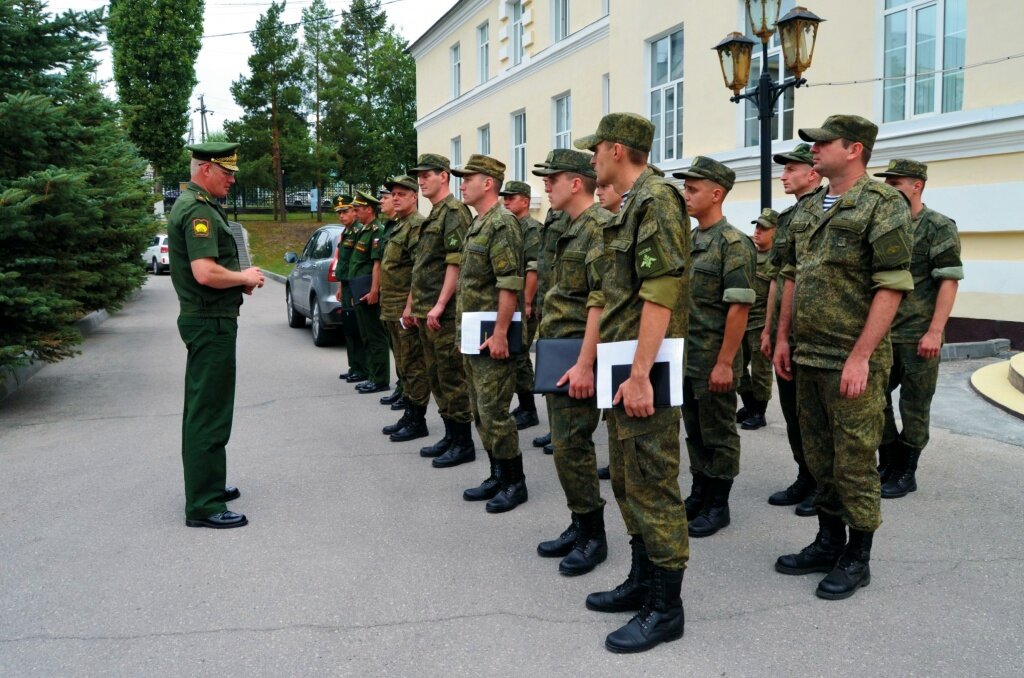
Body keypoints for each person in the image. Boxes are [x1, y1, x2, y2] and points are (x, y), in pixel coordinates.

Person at [773, 114, 913, 600]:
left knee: (854, 461)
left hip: (852, 359)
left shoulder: (883, 203)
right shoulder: (812, 207)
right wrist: (784, 336)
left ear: (853, 149)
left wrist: (861, 357)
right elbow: (792, 273)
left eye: (822, 143)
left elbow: (891, 286)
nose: (812, 150)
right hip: (808, 354)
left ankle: (858, 556)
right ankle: (828, 541)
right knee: (819, 456)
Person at [576, 113, 690, 653]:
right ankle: (643, 582)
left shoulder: (656, 201)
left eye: (596, 149)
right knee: (626, 480)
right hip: (623, 366)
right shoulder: (628, 208)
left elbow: (661, 289)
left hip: (644, 368)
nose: (591, 158)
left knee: (653, 483)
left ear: (617, 149)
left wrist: (641, 374)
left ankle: (666, 609)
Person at [168, 142, 264, 529]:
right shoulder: (197, 210)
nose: (233, 179)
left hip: (210, 319)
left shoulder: (198, 205)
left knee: (205, 408)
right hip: (210, 322)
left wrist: (237, 280)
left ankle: (209, 485)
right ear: (206, 169)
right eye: (226, 171)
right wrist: (243, 277)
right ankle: (204, 505)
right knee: (209, 412)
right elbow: (205, 272)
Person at [531, 149, 612, 575]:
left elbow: (601, 300)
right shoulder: (571, 226)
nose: (546, 184)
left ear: (576, 183)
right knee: (565, 447)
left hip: (578, 353)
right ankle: (580, 522)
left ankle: (593, 536)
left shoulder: (598, 227)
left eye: (553, 178)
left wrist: (585, 364)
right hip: (560, 347)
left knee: (572, 446)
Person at [673, 156, 756, 539]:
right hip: (687, 359)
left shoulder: (733, 243)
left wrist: (725, 364)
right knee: (694, 430)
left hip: (713, 360)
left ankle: (718, 503)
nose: (686, 195)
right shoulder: (690, 241)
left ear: (716, 194)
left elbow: (738, 309)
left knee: (719, 432)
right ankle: (700, 491)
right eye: (685, 189)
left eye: (693, 189)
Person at [873, 159, 963, 498]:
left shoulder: (937, 226)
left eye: (896, 185)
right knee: (873, 398)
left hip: (918, 335)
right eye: (888, 185)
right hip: (883, 334)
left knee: (914, 405)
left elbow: (949, 281)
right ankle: (890, 458)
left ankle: (906, 471)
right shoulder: (885, 225)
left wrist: (935, 332)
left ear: (917, 186)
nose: (890, 191)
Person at [451, 154, 528, 512]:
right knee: (480, 411)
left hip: (491, 335)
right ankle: (498, 473)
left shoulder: (502, 224)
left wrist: (500, 334)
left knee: (495, 411)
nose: (462, 183)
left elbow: (509, 284)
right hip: (472, 333)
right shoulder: (478, 223)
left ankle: (515, 482)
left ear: (488, 183)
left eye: (468, 178)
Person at [760, 143, 823, 516]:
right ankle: (805, 475)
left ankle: (822, 483)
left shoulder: (823, 212)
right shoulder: (786, 218)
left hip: (816, 334)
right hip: (788, 333)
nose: (783, 175)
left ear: (812, 173)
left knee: (816, 417)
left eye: (791, 169)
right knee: (793, 411)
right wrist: (769, 331)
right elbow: (777, 277)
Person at [407, 154, 476, 468]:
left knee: (451, 377)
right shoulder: (435, 214)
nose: (421, 180)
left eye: (426, 175)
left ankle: (463, 443)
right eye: (419, 176)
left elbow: (455, 263)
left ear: (444, 176)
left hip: (443, 314)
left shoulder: (454, 212)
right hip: (427, 311)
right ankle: (450, 434)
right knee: (436, 376)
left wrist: (439, 305)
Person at [379, 176, 433, 443]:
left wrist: (410, 307)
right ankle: (410, 414)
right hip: (391, 308)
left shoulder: (417, 226)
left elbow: (418, 271)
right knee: (402, 364)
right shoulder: (399, 225)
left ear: (414, 197)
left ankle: (417, 419)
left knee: (413, 365)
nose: (395, 197)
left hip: (405, 310)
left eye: (402, 193)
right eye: (393, 194)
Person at [499, 181, 542, 430]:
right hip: (513, 302)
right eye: (504, 198)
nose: (506, 202)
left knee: (520, 354)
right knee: (516, 353)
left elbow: (533, 268)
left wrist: (526, 301)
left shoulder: (531, 229)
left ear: (525, 201)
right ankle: (524, 404)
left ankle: (529, 408)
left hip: (526, 303)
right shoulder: (512, 226)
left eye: (511, 198)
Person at [530, 207, 570, 456]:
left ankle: (563, 432)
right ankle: (556, 428)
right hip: (548, 301)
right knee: (551, 371)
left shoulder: (572, 216)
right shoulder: (553, 212)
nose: (547, 184)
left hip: (564, 307)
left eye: (553, 178)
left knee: (562, 371)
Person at [736, 209, 779, 431]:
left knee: (761, 371)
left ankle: (759, 412)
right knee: (737, 367)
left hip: (760, 324)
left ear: (776, 231)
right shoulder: (748, 254)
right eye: (756, 227)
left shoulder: (777, 259)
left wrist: (769, 330)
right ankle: (749, 405)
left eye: (764, 228)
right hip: (741, 321)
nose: (757, 231)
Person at [593, 181, 624, 482]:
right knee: (612, 410)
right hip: (610, 335)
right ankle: (617, 462)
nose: (599, 191)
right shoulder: (609, 227)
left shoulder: (623, 227)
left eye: (606, 186)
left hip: (627, 338)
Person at [347, 191, 390, 394]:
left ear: (369, 210)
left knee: (375, 336)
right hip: (359, 290)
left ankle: (380, 379)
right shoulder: (364, 231)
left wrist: (374, 291)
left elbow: (377, 265)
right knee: (366, 335)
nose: (355, 213)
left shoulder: (377, 231)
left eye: (357, 210)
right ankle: (372, 375)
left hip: (368, 291)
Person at [335, 195, 368, 384]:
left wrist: (356, 290)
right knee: (349, 328)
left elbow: (358, 264)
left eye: (345, 211)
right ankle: (354, 366)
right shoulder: (346, 232)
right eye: (339, 213)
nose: (341, 215)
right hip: (346, 286)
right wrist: (340, 286)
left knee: (357, 329)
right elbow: (344, 262)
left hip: (355, 286)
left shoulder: (358, 232)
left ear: (354, 212)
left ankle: (362, 368)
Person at [377, 186, 405, 408]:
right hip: (390, 298)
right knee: (397, 349)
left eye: (385, 198)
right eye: (389, 196)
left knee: (407, 353)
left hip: (402, 300)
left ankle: (407, 392)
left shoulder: (407, 226)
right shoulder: (389, 227)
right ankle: (401, 386)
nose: (384, 202)